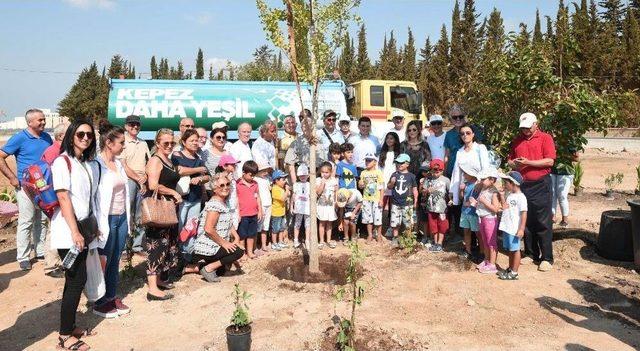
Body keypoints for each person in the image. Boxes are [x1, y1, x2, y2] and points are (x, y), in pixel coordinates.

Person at [50, 119, 98, 351]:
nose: (86, 138)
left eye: (89, 135)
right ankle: (64, 336)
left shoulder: (83, 163)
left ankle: (69, 326)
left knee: (77, 281)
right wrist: (75, 232)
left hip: (82, 229)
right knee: (75, 280)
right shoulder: (63, 162)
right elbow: (63, 198)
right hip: (69, 230)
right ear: (71, 136)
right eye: (81, 134)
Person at [0, 108, 52, 270]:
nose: (43, 122)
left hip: (43, 186)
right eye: (40, 120)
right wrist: (12, 177)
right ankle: (23, 256)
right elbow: (1, 156)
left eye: (44, 119)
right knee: (26, 221)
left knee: (42, 220)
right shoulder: (19, 138)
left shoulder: (46, 137)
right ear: (30, 122)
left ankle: (40, 250)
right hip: (25, 186)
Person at [507, 112, 556, 272]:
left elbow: (549, 161)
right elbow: (510, 159)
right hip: (523, 185)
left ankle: (547, 257)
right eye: (523, 129)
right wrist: (513, 163)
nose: (525, 131)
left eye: (528, 128)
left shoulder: (545, 138)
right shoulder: (517, 140)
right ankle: (530, 253)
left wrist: (528, 162)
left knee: (543, 221)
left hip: (541, 184)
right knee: (526, 220)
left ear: (536, 124)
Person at [93, 120, 132, 318]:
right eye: (121, 142)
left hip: (121, 217)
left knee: (116, 258)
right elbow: (93, 196)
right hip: (105, 219)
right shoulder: (96, 165)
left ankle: (111, 295)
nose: (124, 146)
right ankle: (99, 301)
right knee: (103, 259)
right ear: (109, 143)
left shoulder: (118, 164)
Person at [145, 128, 181, 301]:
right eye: (165, 143)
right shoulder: (155, 160)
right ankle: (152, 288)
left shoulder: (169, 160)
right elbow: (152, 185)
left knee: (166, 246)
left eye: (171, 143)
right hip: (158, 209)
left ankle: (159, 280)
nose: (169, 145)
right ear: (157, 143)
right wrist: (173, 193)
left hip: (169, 210)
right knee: (156, 246)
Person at [193, 172, 245, 283]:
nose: (225, 187)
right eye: (221, 185)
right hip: (209, 245)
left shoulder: (222, 203)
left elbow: (228, 223)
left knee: (221, 271)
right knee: (239, 251)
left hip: (216, 244)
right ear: (214, 189)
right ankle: (207, 268)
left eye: (227, 184)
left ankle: (193, 267)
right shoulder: (215, 205)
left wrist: (236, 236)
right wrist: (224, 243)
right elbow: (208, 229)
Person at [172, 129, 209, 267]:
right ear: (183, 142)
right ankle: (178, 256)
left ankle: (188, 255)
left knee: (192, 228)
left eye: (196, 140)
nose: (195, 143)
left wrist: (200, 178)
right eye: (191, 140)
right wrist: (198, 171)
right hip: (182, 199)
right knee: (180, 227)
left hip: (196, 198)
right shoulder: (177, 155)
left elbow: (207, 176)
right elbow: (179, 170)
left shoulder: (199, 159)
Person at [449, 124, 490, 236]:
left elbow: (485, 167)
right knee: (468, 217)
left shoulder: (480, 148)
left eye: (468, 133)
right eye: (462, 133)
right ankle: (470, 248)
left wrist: (480, 184)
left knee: (480, 218)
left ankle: (483, 249)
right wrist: (454, 192)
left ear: (473, 134)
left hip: (479, 186)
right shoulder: (460, 151)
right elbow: (456, 172)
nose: (465, 135)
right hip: (465, 189)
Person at [41, 121, 70, 278]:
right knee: (54, 230)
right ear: (61, 136)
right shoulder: (54, 151)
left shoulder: (58, 149)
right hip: (54, 197)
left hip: (58, 196)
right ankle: (51, 265)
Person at [118, 115, 150, 256]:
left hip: (142, 180)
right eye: (132, 124)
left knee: (140, 215)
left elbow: (148, 162)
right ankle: (125, 247)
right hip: (128, 180)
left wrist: (145, 178)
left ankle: (137, 246)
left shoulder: (143, 143)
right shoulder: (122, 142)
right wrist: (139, 179)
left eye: (137, 125)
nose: (135, 127)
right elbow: (123, 165)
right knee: (127, 214)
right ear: (126, 126)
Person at [498, 171, 528, 280]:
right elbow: (505, 207)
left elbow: (524, 213)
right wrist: (501, 196)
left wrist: (521, 229)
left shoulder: (521, 197)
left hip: (515, 228)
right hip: (508, 227)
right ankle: (510, 268)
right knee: (511, 249)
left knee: (516, 250)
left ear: (513, 183)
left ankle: (514, 272)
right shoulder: (510, 195)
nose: (505, 184)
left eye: (506, 182)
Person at [472, 167, 501, 274]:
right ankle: (487, 260)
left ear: (492, 180)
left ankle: (492, 264)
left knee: (491, 242)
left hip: (490, 219)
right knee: (485, 241)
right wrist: (475, 203)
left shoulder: (493, 192)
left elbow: (495, 209)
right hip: (482, 218)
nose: (482, 181)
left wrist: (483, 202)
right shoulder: (484, 189)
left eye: (484, 179)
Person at [444, 104, 484, 178]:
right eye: (455, 117)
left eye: (460, 116)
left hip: (471, 173)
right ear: (451, 119)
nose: (458, 119)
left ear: (464, 117)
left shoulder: (474, 130)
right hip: (452, 172)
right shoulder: (448, 134)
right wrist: (444, 173)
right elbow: (447, 155)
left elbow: (480, 151)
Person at [387, 154, 418, 243]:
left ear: (407, 164)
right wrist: (392, 183)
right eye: (397, 162)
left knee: (408, 222)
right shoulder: (394, 174)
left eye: (401, 163)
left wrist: (415, 201)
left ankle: (408, 238)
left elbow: (415, 189)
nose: (399, 164)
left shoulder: (411, 176)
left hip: (408, 203)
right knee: (395, 222)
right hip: (395, 203)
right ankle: (395, 238)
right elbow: (389, 187)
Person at [284, 116, 326, 181]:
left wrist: (317, 176)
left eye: (308, 125)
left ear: (312, 126)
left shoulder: (319, 141)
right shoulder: (296, 143)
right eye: (304, 126)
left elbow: (324, 162)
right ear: (301, 128)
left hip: (318, 176)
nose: (306, 128)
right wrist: (295, 183)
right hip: (302, 176)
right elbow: (290, 164)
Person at [421, 159, 450, 252]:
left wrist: (451, 200)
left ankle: (440, 243)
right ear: (431, 170)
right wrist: (426, 191)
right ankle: (435, 242)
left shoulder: (446, 180)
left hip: (442, 208)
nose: (437, 172)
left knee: (442, 225)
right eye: (435, 170)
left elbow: (450, 192)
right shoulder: (428, 179)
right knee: (433, 226)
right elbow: (423, 191)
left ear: (442, 170)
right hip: (431, 207)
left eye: (439, 170)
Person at [236, 160, 263, 259]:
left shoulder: (255, 184)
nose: (252, 177)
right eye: (251, 175)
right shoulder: (237, 183)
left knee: (251, 234)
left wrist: (260, 210)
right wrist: (237, 213)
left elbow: (258, 197)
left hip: (254, 213)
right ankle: (242, 253)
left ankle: (250, 252)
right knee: (242, 235)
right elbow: (236, 199)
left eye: (254, 176)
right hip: (243, 214)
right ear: (244, 172)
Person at [358, 153, 385, 244]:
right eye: (366, 160)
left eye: (370, 160)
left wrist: (381, 199)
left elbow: (381, 187)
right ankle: (370, 235)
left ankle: (378, 235)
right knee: (368, 218)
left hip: (376, 199)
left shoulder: (378, 172)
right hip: (366, 198)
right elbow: (361, 185)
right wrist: (360, 185)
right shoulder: (363, 173)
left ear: (375, 162)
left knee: (378, 218)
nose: (367, 162)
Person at [458, 163, 481, 260]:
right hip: (465, 212)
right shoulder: (466, 184)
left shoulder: (478, 185)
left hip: (474, 213)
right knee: (466, 231)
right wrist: (461, 191)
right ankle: (468, 251)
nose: (463, 175)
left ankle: (482, 252)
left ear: (472, 174)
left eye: (465, 173)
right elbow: (461, 198)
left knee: (478, 233)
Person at [551, 151, 578, 227]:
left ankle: (565, 219)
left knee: (562, 196)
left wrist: (562, 155)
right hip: (552, 171)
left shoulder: (570, 141)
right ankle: (552, 217)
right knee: (552, 195)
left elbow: (577, 158)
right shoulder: (551, 140)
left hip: (565, 172)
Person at [316, 161, 338, 249]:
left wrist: (336, 202)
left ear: (331, 172)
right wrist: (322, 183)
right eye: (322, 172)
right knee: (322, 223)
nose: (324, 174)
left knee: (329, 223)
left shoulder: (334, 180)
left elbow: (336, 191)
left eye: (326, 172)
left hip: (330, 206)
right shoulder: (318, 180)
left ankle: (328, 240)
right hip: (321, 206)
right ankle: (321, 241)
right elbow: (317, 192)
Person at [291, 164, 310, 248]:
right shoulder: (296, 184)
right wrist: (292, 205)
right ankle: (295, 240)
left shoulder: (310, 184)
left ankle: (307, 240)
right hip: (298, 207)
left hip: (307, 208)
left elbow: (311, 196)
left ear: (308, 175)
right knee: (297, 224)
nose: (302, 177)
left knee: (308, 225)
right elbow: (293, 195)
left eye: (304, 175)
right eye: (301, 175)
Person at [255, 164, 273, 254]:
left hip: (268, 203)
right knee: (258, 225)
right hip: (261, 205)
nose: (266, 172)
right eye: (264, 171)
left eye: (267, 170)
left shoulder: (267, 179)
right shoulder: (255, 180)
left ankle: (263, 244)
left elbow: (270, 188)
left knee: (265, 226)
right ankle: (255, 245)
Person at [270, 169, 290, 249]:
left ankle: (280, 241)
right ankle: (274, 243)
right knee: (275, 229)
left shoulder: (281, 188)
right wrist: (287, 190)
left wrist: (286, 191)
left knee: (282, 228)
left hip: (282, 212)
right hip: (276, 213)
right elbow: (283, 198)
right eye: (283, 179)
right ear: (276, 180)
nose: (285, 181)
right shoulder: (275, 189)